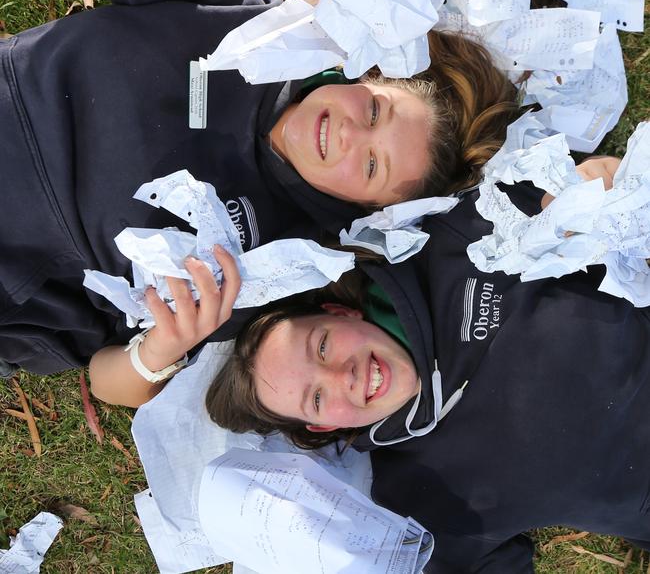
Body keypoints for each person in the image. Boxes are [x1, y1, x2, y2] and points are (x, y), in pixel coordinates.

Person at [0, 0, 519, 378]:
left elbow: (105, 377)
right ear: (368, 72)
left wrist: (158, 351)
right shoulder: (240, 21)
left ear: (371, 209)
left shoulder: (278, 267)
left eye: (370, 165)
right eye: (375, 111)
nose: (346, 136)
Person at [202, 156, 650, 573]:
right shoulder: (416, 497)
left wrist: (594, 187)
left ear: (340, 314)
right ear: (319, 428)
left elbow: (578, 189)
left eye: (322, 348)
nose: (344, 376)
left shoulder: (450, 247)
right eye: (316, 398)